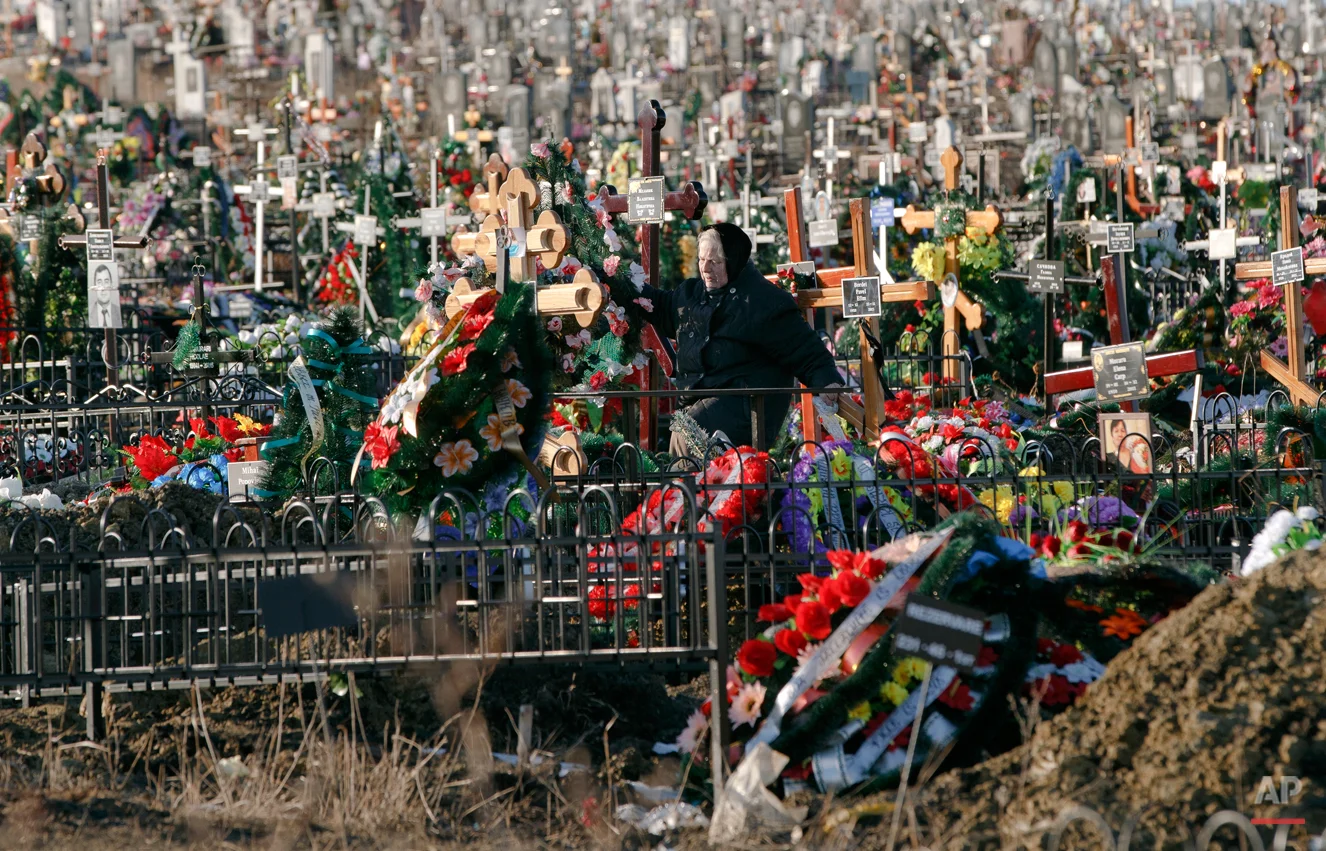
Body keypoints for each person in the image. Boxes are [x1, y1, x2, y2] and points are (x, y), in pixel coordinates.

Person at [641, 223, 844, 456]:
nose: (706, 268)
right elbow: (661, 306)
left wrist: (828, 380)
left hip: (748, 406)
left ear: (733, 261)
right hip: (702, 401)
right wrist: (618, 285)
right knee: (684, 433)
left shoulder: (761, 300)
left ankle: (696, 489)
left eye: (715, 262)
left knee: (690, 431)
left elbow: (805, 350)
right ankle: (687, 490)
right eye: (701, 260)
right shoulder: (694, 293)